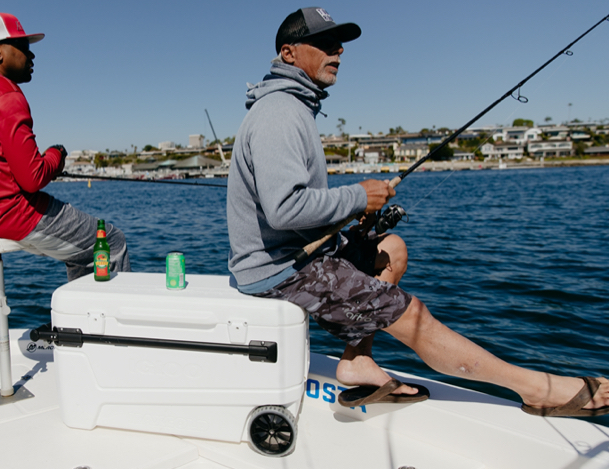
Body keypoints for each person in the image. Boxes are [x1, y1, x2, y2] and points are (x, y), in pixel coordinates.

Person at [227, 7, 608, 416]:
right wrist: (359, 196)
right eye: (323, 44)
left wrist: (356, 210)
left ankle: (357, 361)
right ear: (288, 53)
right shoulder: (279, 113)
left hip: (298, 254)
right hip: (280, 272)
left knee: (391, 247)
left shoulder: (294, 107)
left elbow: (292, 210)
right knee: (415, 316)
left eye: (338, 44)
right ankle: (537, 389)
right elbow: (285, 210)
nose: (337, 50)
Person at [0, 12, 131, 281]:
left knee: (79, 249)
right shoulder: (3, 92)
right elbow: (32, 178)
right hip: (9, 215)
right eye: (24, 47)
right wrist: (56, 155)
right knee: (111, 242)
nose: (32, 56)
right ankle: (98, 319)